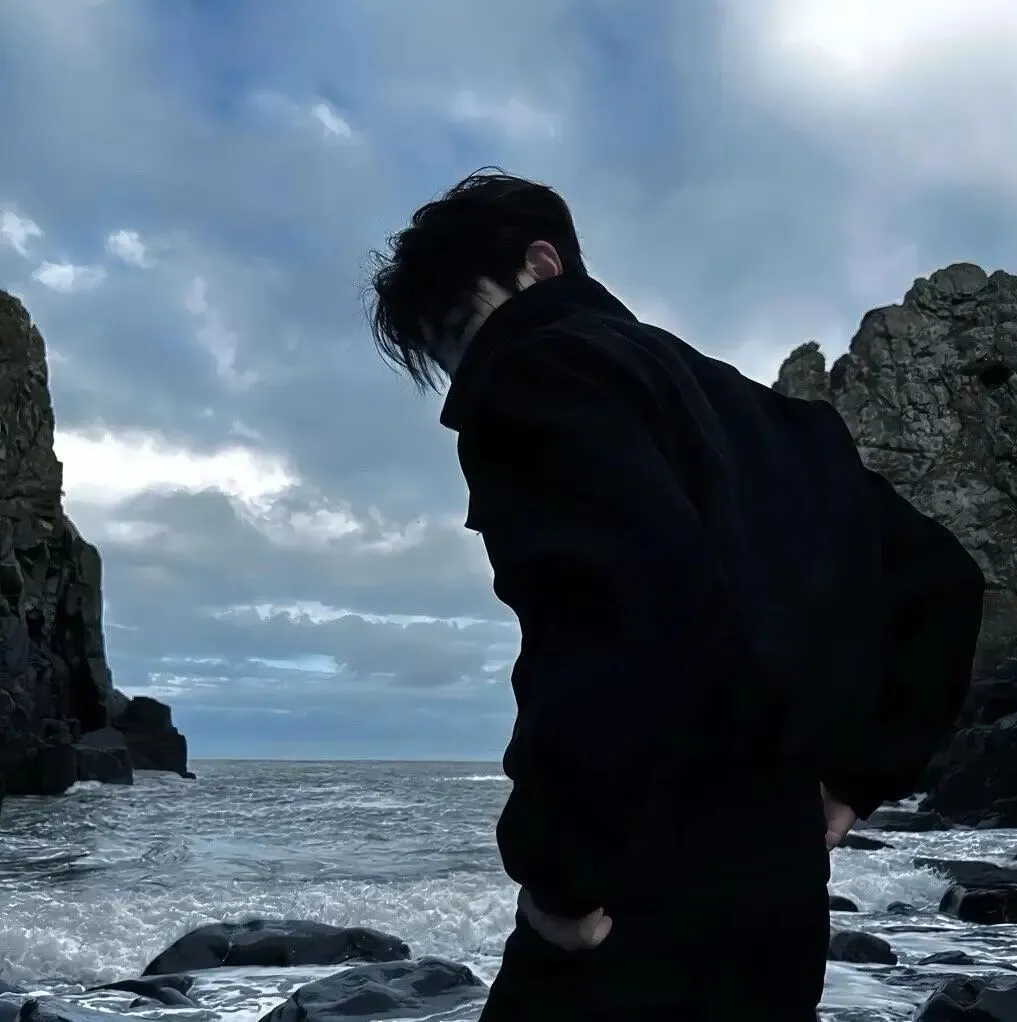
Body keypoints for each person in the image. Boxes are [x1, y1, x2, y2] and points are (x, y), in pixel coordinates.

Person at [365, 169, 985, 1021]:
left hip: (639, 899)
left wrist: (562, 877)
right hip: (782, 898)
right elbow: (942, 581)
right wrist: (857, 777)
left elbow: (616, 624)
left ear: (541, 265)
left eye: (459, 329)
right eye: (443, 358)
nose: (462, 372)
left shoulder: (537, 370)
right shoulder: (769, 417)